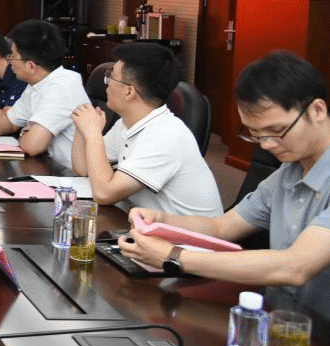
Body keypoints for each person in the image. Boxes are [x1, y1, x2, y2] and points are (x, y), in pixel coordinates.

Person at [120, 51, 330, 319]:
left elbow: (295, 267)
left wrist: (174, 257)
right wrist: (163, 220)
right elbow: (222, 227)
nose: (267, 145)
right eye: (256, 134)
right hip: (279, 321)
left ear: (317, 110)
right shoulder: (289, 172)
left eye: (277, 131)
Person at [70, 43, 222, 216]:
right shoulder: (127, 123)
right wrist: (82, 127)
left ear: (129, 92)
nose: (107, 84)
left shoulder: (164, 136)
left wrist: (93, 134)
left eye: (111, 77)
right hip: (146, 224)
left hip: (185, 232)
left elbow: (104, 194)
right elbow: (82, 170)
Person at [0, 20, 89, 161]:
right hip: (46, 165)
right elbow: (10, 120)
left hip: (67, 171)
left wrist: (23, 133)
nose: (10, 62)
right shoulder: (38, 82)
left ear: (31, 66)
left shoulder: (62, 87)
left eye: (13, 56)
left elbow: (33, 146)